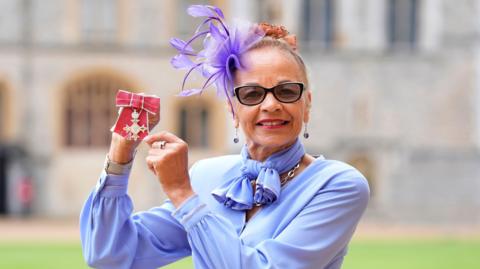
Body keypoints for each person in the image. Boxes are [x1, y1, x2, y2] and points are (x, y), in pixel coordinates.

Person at [80, 5, 369, 269]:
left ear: (306, 105)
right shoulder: (209, 176)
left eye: (286, 91)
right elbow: (111, 256)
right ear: (233, 109)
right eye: (253, 93)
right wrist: (120, 156)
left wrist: (182, 193)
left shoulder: (338, 184)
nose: (271, 105)